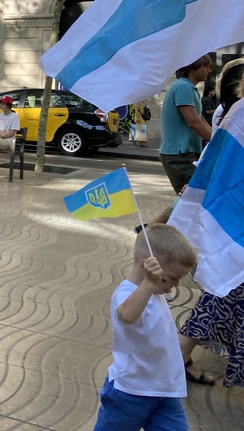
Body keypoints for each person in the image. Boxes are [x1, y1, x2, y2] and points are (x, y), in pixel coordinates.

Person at [175, 63, 244, 388]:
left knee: (223, 294)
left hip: (231, 230)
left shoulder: (236, 112)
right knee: (223, 293)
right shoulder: (237, 114)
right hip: (234, 229)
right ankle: (178, 354)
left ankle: (179, 354)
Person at [93, 225, 197, 430]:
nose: (175, 285)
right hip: (131, 392)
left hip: (164, 390)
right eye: (171, 278)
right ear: (147, 266)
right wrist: (150, 282)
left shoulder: (157, 291)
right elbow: (126, 315)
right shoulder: (127, 293)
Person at [160, 55, 212, 195]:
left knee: (193, 198)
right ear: (193, 68)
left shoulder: (189, 88)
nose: (209, 70)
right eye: (206, 66)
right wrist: (217, 142)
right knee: (194, 197)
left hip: (185, 153)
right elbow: (194, 123)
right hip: (179, 154)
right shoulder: (183, 87)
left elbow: (200, 119)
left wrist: (216, 137)